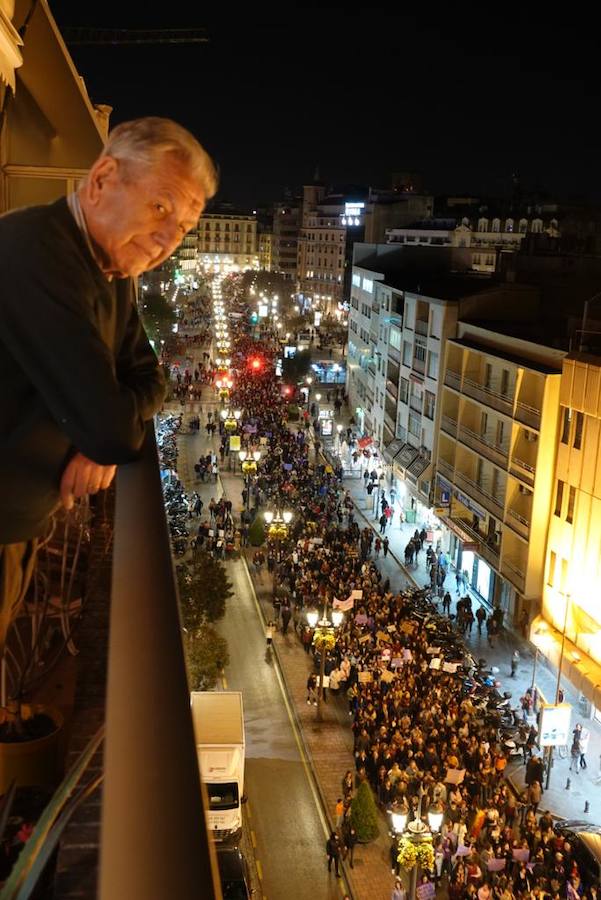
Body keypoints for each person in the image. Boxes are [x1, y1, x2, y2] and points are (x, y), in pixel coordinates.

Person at [0, 116, 217, 660]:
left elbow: (151, 378)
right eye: (160, 207)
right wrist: (97, 431)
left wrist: (96, 431)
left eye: (184, 227)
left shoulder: (112, 273)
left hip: (17, 523)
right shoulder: (38, 253)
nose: (169, 237)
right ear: (101, 181)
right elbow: (115, 432)